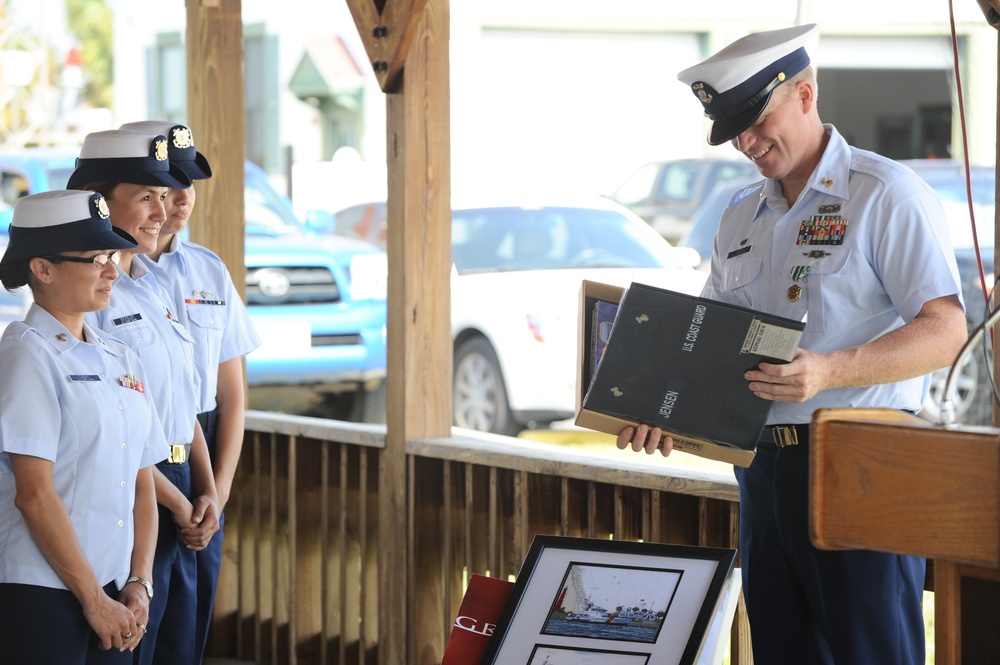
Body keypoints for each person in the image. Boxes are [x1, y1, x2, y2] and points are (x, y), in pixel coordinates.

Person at [617, 24, 968, 664]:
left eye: (757, 121)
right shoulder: (738, 214)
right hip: (761, 470)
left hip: (862, 462)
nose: (748, 143)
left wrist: (831, 369)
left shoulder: (884, 193)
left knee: (872, 652)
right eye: (734, 132)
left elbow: (946, 329)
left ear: (805, 95)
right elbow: (712, 344)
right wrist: (663, 410)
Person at [67, 129, 222, 665]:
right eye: (145, 198)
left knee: (181, 648)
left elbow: (181, 406)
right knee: (134, 648)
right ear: (101, 203)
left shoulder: (153, 283)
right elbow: (118, 433)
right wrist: (180, 504)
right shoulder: (90, 296)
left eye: (165, 197)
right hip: (139, 493)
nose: (162, 212)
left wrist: (207, 491)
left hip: (180, 486)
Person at [0, 190, 169, 663]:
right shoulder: (26, 354)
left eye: (111, 255)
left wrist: (140, 581)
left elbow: (141, 480)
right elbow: (34, 493)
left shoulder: (121, 357)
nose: (113, 270)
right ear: (43, 268)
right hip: (45, 590)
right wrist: (94, 601)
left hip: (116, 588)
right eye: (96, 258)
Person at [120, 120, 261, 663]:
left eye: (186, 186)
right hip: (142, 459)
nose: (177, 202)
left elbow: (230, 398)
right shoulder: (112, 279)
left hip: (197, 456)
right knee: (139, 629)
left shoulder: (208, 270)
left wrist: (216, 496)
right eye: (160, 190)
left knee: (188, 633)